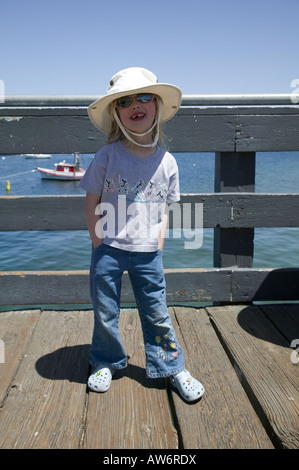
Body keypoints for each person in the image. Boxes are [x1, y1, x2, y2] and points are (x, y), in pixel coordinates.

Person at [79, 67, 204, 402]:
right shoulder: (107, 155)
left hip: (149, 251)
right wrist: (97, 239)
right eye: (124, 100)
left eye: (144, 96)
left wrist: (158, 242)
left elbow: (165, 208)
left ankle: (171, 365)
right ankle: (106, 360)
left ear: (157, 106)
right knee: (105, 309)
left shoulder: (168, 162)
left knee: (156, 310)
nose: (136, 104)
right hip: (107, 248)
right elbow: (92, 197)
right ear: (116, 113)